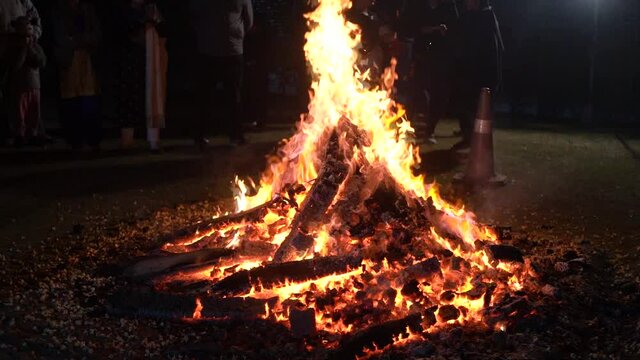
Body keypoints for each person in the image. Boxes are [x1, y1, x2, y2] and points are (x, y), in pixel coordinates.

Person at [190, 0, 253, 147]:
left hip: (209, 50)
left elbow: (193, 15)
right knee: (233, 96)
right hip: (230, 50)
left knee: (205, 96)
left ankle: (200, 135)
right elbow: (249, 21)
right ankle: (235, 136)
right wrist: (238, 33)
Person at [450, 0, 503, 150]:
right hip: (468, 72)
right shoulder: (470, 16)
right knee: (464, 106)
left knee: (476, 107)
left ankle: (476, 140)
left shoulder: (485, 18)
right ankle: (469, 137)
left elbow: (491, 49)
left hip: (480, 73)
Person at [116, 0, 167, 151]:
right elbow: (122, 30)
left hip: (149, 60)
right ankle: (127, 140)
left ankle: (153, 140)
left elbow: (162, 29)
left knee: (151, 97)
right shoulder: (125, 11)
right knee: (129, 97)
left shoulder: (151, 9)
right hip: (129, 59)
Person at [52, 0, 101, 150]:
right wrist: (74, 42)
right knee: (71, 100)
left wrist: (84, 40)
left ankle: (91, 137)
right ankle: (75, 138)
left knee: (88, 99)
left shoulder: (87, 9)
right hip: (69, 60)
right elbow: (60, 37)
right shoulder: (59, 11)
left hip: (86, 59)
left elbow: (96, 34)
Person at [0, 0, 45, 146]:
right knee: (12, 99)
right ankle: (13, 132)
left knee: (30, 101)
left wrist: (32, 36)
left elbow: (35, 20)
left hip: (27, 71)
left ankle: (33, 131)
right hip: (5, 53)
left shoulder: (23, 1)